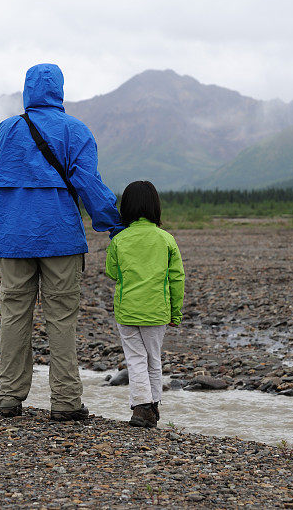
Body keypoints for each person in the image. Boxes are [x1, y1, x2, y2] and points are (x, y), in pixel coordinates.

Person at [0, 63, 123, 421]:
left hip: (13, 236)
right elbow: (88, 183)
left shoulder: (7, 129)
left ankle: (8, 397)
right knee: (61, 319)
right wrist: (113, 224)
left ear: (27, 90)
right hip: (60, 237)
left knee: (14, 315)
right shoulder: (75, 130)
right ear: (59, 90)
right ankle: (65, 402)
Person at [104, 181, 185, 428]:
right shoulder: (166, 239)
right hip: (157, 311)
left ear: (126, 208)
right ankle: (153, 406)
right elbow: (177, 278)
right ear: (155, 207)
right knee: (153, 359)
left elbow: (111, 272)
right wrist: (176, 313)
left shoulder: (119, 239)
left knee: (135, 359)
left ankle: (142, 408)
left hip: (127, 310)